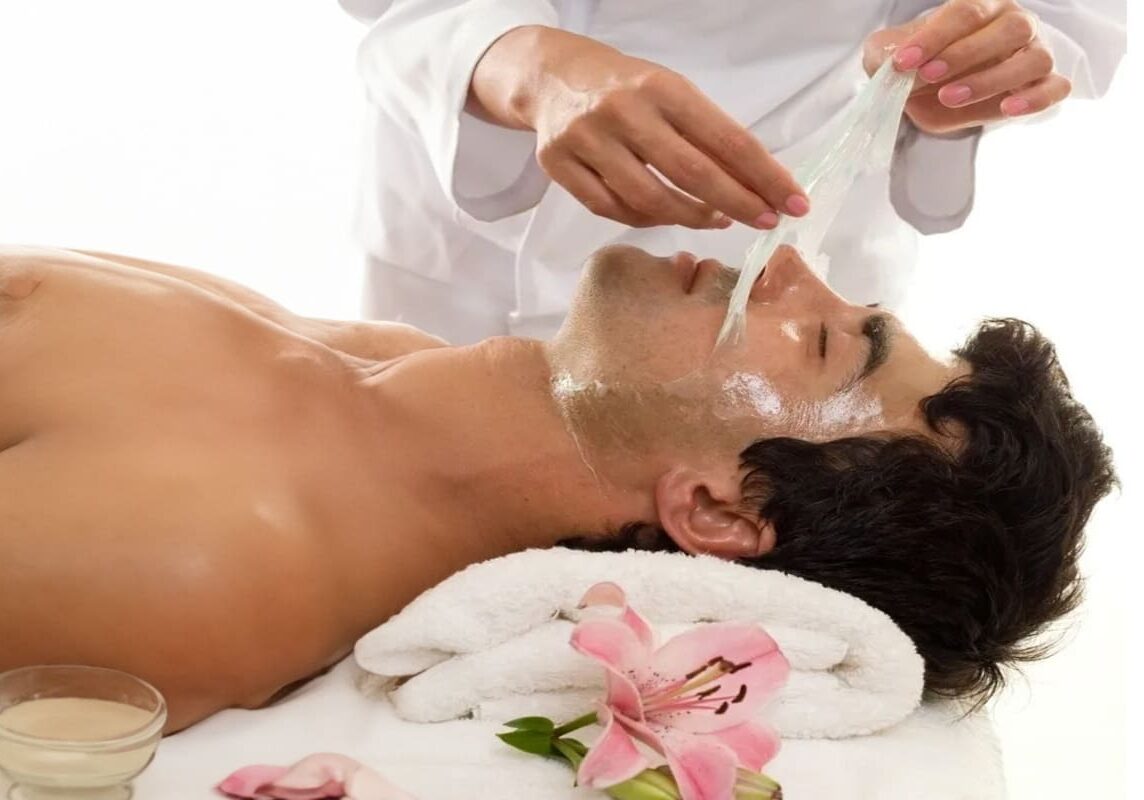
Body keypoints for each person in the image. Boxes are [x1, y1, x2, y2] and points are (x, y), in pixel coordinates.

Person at [0, 244, 1112, 733]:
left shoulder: (216, 555)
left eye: (823, 340)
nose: (784, 264)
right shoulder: (372, 360)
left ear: (720, 511)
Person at [337, 0, 1125, 344]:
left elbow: (1067, 18)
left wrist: (991, 54)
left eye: (860, 345)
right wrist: (519, 62)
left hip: (829, 169)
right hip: (474, 251)